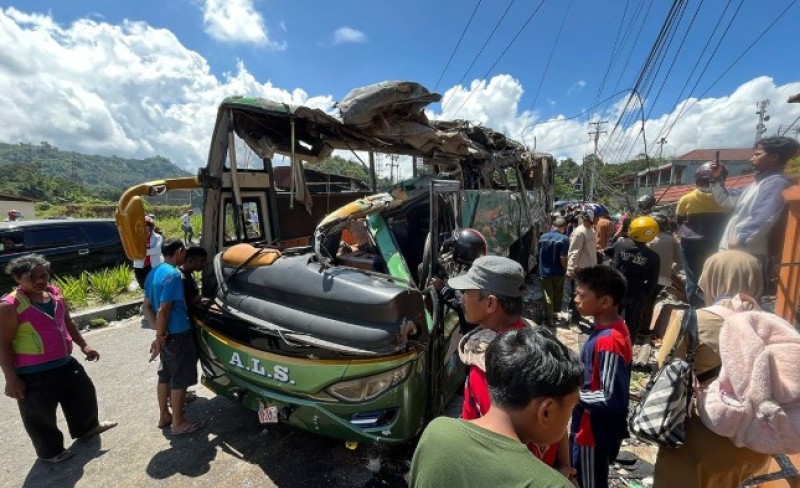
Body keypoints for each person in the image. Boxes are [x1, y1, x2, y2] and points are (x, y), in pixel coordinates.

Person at [652, 250, 771, 488]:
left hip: (699, 437)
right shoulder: (774, 325)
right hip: (756, 441)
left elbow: (665, 367)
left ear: (710, 278)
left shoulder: (694, 320)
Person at [410, 327, 583, 488]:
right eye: (570, 409)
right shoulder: (553, 485)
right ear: (546, 411)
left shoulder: (437, 431)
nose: (568, 418)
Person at [450, 255, 574, 476]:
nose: (460, 299)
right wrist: (563, 465)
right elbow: (560, 416)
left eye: (466, 292)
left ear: (490, 303)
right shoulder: (536, 338)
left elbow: (499, 448)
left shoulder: (489, 367)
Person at [0, 254, 117, 463]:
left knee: (83, 394)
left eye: (43, 275)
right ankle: (50, 452)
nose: (40, 281)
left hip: (64, 362)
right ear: (17, 279)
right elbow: (3, 343)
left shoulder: (54, 295)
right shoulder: (9, 306)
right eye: (32, 277)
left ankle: (87, 428)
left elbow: (68, 322)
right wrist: (11, 378)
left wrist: (84, 344)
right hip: (33, 372)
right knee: (39, 415)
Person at [570, 265, 633, 488]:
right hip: (593, 427)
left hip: (592, 431)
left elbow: (609, 397)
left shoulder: (608, 341)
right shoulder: (614, 328)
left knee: (588, 482)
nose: (575, 298)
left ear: (605, 302)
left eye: (581, 294)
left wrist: (570, 395)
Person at [143, 238, 204, 435]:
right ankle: (178, 423)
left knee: (165, 375)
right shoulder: (173, 275)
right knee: (180, 379)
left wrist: (159, 334)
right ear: (178, 251)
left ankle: (164, 416)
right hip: (178, 333)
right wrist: (161, 335)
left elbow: (146, 306)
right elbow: (164, 309)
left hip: (167, 335)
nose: (185, 255)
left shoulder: (153, 272)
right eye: (184, 252)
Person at [710, 136, 800, 269]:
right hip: (736, 252)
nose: (752, 158)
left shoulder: (776, 182)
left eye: (758, 154)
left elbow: (764, 216)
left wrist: (741, 239)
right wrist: (716, 177)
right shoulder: (756, 184)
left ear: (774, 157)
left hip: (747, 254)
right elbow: (726, 200)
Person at [675, 162, 729, 306]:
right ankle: (713, 306)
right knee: (714, 277)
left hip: (690, 244)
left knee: (693, 278)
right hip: (716, 244)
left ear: (698, 180)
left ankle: (695, 310)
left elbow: (679, 221)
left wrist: (681, 236)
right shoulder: (725, 201)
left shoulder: (687, 198)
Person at [429, 228, 488, 333]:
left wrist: (442, 289)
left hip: (473, 330)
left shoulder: (467, 279)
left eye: (453, 247)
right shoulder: (479, 268)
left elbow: (461, 305)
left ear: (462, 253)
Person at [612, 216, 660, 342]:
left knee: (612, 320)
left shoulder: (620, 245)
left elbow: (607, 250)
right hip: (636, 294)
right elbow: (652, 282)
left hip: (616, 291)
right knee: (632, 324)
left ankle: (610, 344)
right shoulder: (653, 257)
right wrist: (645, 297)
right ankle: (628, 348)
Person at [566, 207, 598, 325]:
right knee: (577, 294)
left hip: (589, 269)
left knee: (584, 295)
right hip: (580, 270)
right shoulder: (579, 232)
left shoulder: (591, 230)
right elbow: (574, 252)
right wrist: (570, 269)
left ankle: (578, 317)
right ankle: (574, 321)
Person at [538, 217, 569, 327]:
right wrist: (566, 269)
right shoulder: (564, 239)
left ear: (554, 225)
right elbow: (563, 258)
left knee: (548, 295)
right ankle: (554, 315)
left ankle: (549, 317)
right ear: (563, 227)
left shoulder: (542, 237)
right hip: (558, 272)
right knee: (557, 293)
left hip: (544, 272)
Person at [646, 212, 683, 294]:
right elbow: (680, 262)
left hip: (648, 280)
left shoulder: (646, 240)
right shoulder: (671, 239)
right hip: (666, 280)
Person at [133, 216, 163, 290]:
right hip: (139, 266)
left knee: (153, 285)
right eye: (142, 227)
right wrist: (149, 251)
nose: (144, 230)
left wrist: (143, 252)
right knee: (143, 286)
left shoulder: (158, 237)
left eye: (146, 227)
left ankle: (153, 299)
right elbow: (134, 250)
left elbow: (157, 250)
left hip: (152, 266)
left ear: (151, 228)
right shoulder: (136, 238)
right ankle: (148, 298)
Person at [180, 246, 209, 313]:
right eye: (202, 261)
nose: (204, 264)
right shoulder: (182, 279)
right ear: (190, 260)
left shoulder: (188, 275)